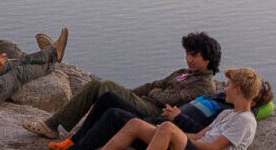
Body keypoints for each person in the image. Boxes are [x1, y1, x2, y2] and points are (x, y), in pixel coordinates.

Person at [48, 66, 263, 150]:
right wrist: (161, 134)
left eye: (229, 85)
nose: (225, 88)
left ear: (238, 90)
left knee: (168, 128)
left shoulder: (246, 121)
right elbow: (199, 136)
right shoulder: (228, 114)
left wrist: (173, 137)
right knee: (135, 124)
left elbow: (213, 149)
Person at [29, 31, 219, 141]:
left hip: (154, 114)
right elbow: (154, 85)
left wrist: (153, 93)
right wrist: (128, 94)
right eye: (188, 54)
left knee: (103, 85)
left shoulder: (204, 85)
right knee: (101, 87)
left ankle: (56, 126)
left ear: (208, 58)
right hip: (146, 103)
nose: (189, 59)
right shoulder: (183, 72)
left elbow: (169, 99)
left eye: (194, 56)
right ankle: (55, 124)